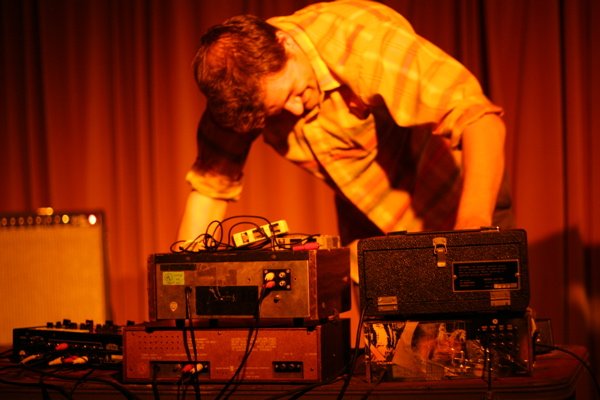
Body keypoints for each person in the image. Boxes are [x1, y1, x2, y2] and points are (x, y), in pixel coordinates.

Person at [177, 0, 513, 272]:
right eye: (277, 110)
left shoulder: (360, 40)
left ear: (285, 43)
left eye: (294, 92)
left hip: (457, 202)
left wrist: (470, 235)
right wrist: (180, 288)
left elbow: (479, 120)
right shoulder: (238, 91)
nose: (295, 109)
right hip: (371, 228)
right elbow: (210, 191)